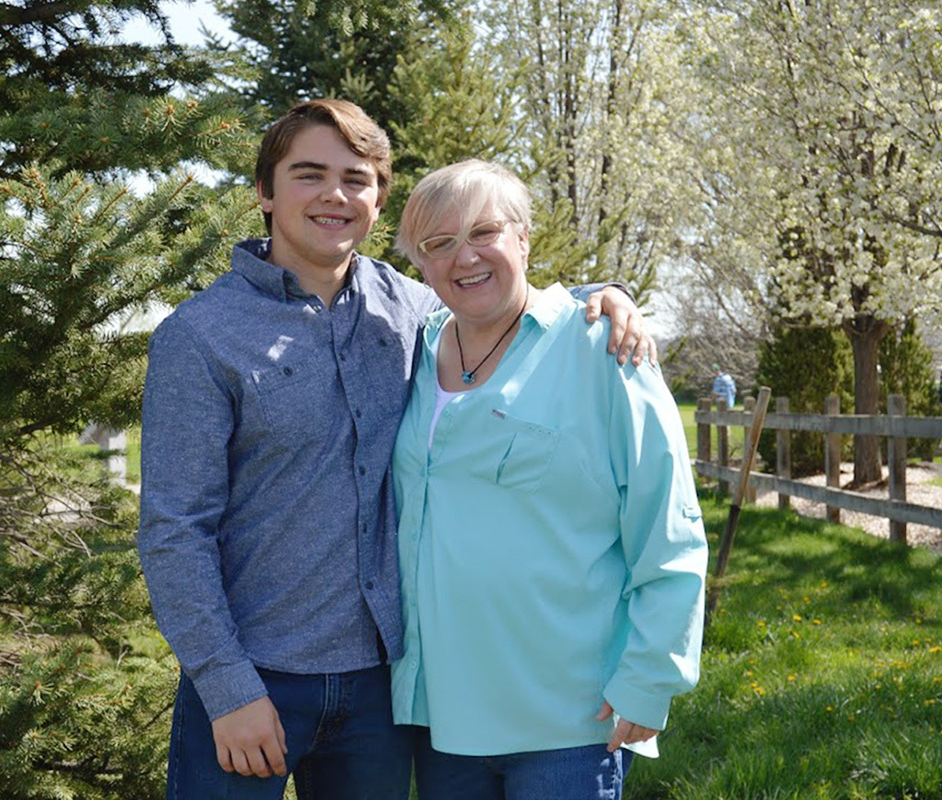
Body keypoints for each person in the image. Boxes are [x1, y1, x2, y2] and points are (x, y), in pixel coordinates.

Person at [136, 100, 655, 800]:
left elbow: (504, 296)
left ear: (379, 198)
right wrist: (227, 688)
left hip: (384, 691)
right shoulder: (200, 337)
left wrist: (606, 295)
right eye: (309, 174)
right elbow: (174, 532)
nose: (334, 196)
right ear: (265, 191)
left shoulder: (412, 309)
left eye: (356, 178)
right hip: (252, 679)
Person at [389, 160, 707, 800]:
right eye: (439, 243)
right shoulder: (412, 352)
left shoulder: (602, 349)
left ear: (525, 238)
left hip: (567, 721)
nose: (465, 256)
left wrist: (650, 680)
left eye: (484, 232)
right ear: (419, 264)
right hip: (441, 719)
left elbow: (667, 527)